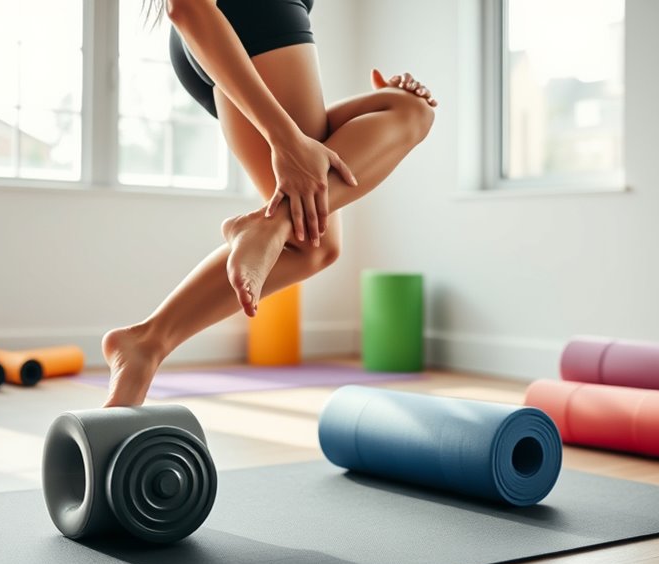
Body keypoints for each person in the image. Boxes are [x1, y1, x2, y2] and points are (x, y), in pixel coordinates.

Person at [103, 0, 437, 407]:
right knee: (312, 230)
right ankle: (266, 227)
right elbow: (186, 6)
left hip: (233, 32)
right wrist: (285, 139)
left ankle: (145, 342)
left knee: (405, 112)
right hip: (253, 16)